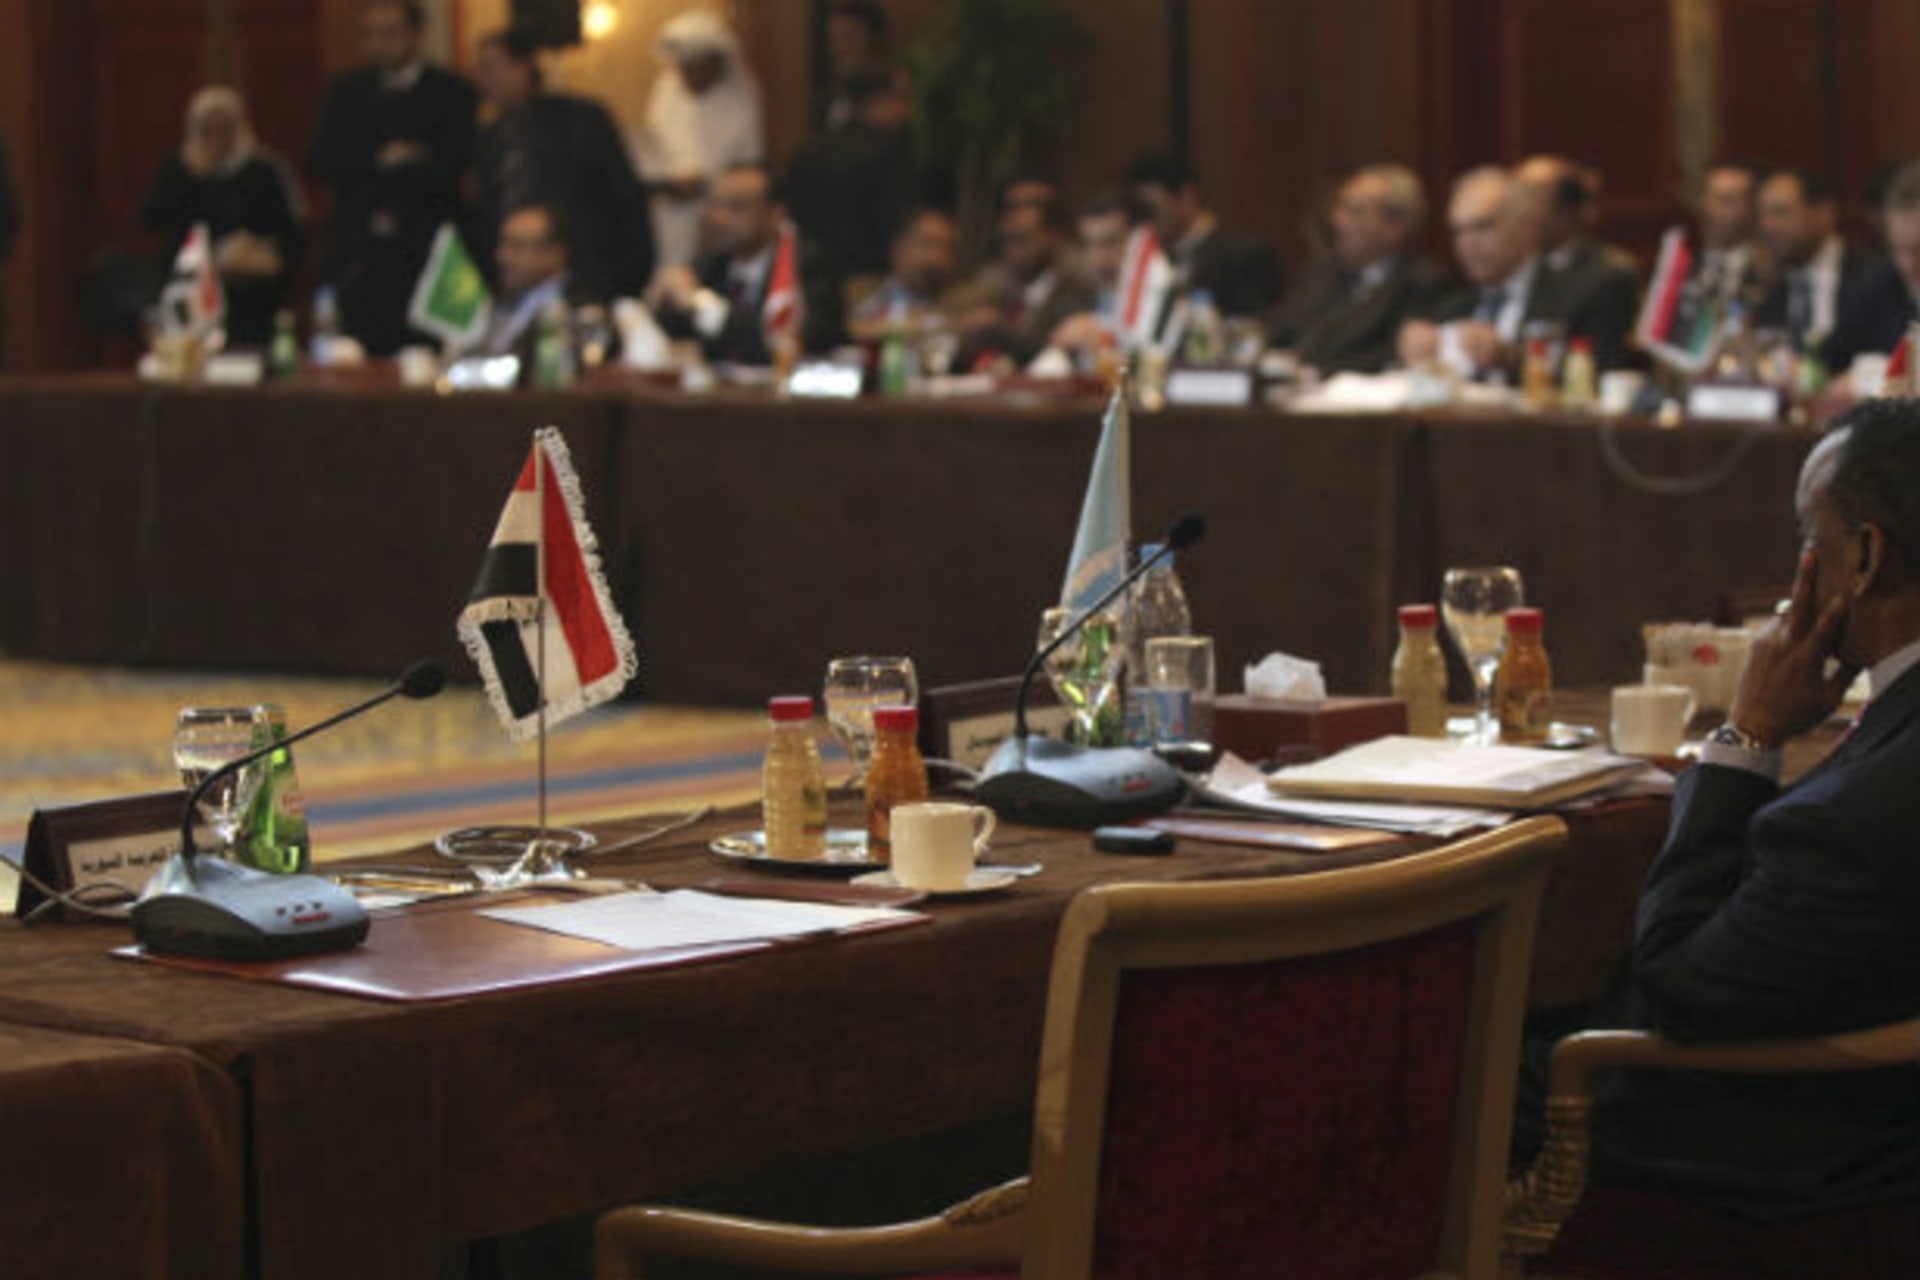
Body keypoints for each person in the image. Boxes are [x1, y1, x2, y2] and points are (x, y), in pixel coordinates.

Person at [1570, 398, 1920, 1220]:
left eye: (1810, 538)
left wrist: (1747, 736)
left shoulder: (1850, 821)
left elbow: (1679, 991)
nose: (1801, 560)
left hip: (1811, 1158)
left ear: (1864, 557)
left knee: (1462, 1077)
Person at [307, 0, 477, 356]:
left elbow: (453, 166)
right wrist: (383, 161)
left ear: (416, 35)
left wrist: (408, 166)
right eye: (372, 34)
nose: (379, 43)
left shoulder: (451, 92)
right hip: (360, 253)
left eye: (390, 33)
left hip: (423, 253)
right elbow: (321, 160)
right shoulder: (347, 91)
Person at [468, 27, 653, 302]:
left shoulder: (580, 120)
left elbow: (625, 198)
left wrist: (629, 278)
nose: (483, 80)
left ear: (523, 67)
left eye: (491, 68)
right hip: (514, 285)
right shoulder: (490, 136)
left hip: (585, 275)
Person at [139, 85, 304, 348]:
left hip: (250, 294)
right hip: (191, 291)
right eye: (208, 131)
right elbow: (154, 225)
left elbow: (291, 232)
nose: (217, 140)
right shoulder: (179, 172)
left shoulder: (264, 171)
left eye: (224, 130)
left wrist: (255, 252)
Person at [1265, 163, 1451, 375]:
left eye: (1355, 211)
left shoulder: (1422, 283)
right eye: (1339, 208)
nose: (1338, 220)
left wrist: (1312, 372)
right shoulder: (1321, 274)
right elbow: (1277, 328)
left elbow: (1392, 356)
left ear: (1396, 226)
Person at [646, 163, 838, 364]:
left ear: (776, 214)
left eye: (736, 207)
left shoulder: (806, 264)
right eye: (713, 204)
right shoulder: (708, 267)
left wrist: (701, 303)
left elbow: (784, 343)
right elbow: (667, 334)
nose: (717, 218)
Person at [634, 10, 764, 272]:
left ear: (715, 63)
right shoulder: (667, 90)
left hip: (717, 216)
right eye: (684, 68)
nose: (690, 77)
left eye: (697, 67)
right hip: (669, 216)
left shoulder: (741, 97)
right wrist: (668, 182)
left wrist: (707, 184)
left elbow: (749, 165)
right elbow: (655, 147)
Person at [1395, 166, 1552, 379]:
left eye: (1482, 227)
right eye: (1458, 231)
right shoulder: (1451, 306)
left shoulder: (1578, 294)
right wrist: (1419, 354)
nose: (1467, 244)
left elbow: (1587, 378)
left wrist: (1511, 358)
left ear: (1525, 225)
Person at [784, 67, 916, 310]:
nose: (908, 110)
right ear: (877, 100)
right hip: (865, 281)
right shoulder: (885, 153)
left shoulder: (808, 149)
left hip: (807, 278)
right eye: (902, 98)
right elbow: (895, 224)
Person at [1125, 150, 1282, 331]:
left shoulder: (1245, 257)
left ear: (1187, 196)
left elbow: (1254, 330)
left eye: (1152, 208)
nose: (1147, 220)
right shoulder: (1154, 261)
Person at [1512, 154, 1639, 369]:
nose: (1519, 214)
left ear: (1565, 212)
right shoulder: (1525, 267)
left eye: (1529, 201)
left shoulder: (1608, 276)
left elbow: (1598, 365)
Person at [1751, 168, 1883, 365]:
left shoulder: (1876, 276)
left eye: (1780, 212)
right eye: (1762, 214)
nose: (1766, 225)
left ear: (1824, 213)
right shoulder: (1765, 286)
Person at [954, 198, 1098, 370]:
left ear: (1052, 236)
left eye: (1021, 239)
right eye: (1006, 241)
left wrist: (997, 329)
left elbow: (1054, 351)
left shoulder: (1076, 292)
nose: (1012, 250)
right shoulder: (1004, 296)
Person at [1825, 160, 1920, 376]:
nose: (1909, 265)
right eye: (1901, 250)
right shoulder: (1883, 283)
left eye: (1918, 250)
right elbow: (1831, 359)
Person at [474, 201, 575, 366]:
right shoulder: (498, 302)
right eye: (503, 243)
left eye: (517, 246)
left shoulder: (579, 310)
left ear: (555, 252)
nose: (503, 256)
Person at [1043, 188, 1134, 361]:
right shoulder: (1071, 300)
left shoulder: (1162, 302)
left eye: (1111, 242)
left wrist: (1108, 342)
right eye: (1090, 244)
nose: (1099, 259)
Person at [846, 206, 962, 342]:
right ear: (899, 248)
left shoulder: (957, 299)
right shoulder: (877, 300)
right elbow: (859, 330)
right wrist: (943, 325)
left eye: (948, 247)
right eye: (928, 244)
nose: (937, 258)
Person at [818, 0, 891, 129]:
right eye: (835, 39)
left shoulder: (892, 99)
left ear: (874, 41)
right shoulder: (825, 97)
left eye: (849, 38)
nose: (840, 48)